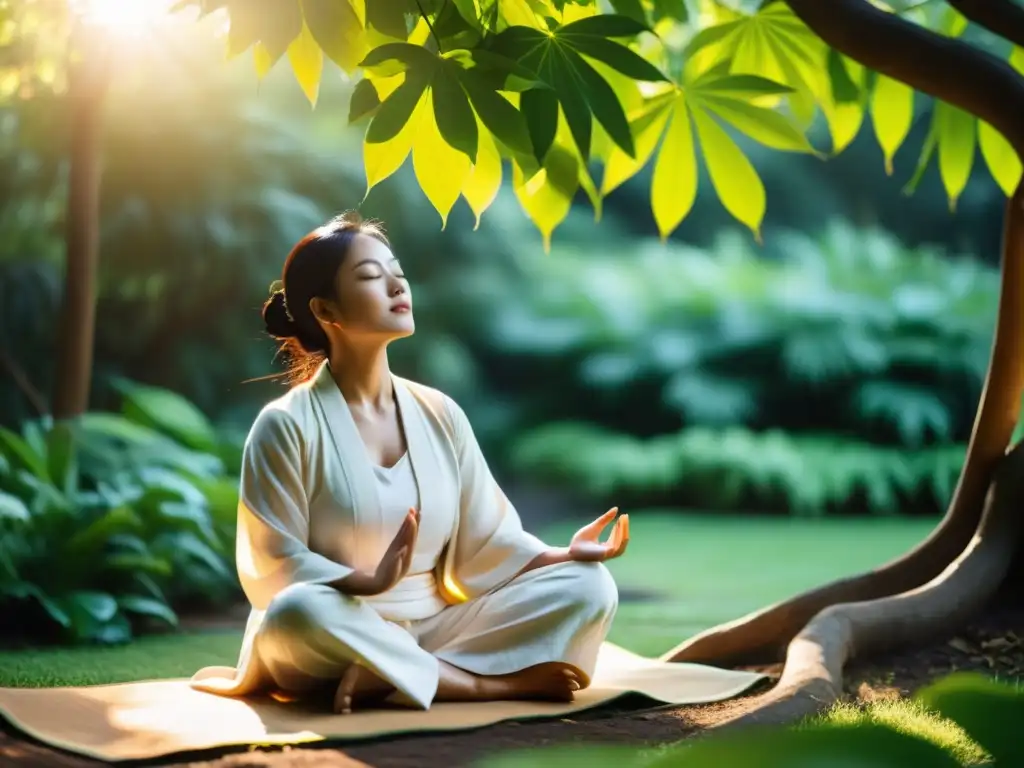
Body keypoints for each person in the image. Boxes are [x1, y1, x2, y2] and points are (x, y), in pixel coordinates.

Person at [190, 212, 630, 715]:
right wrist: (366, 583)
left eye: (396, 270)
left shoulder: (440, 413)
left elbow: (487, 543)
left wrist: (560, 555)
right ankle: (475, 683)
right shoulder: (285, 425)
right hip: (334, 626)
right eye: (372, 277)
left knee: (587, 584)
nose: (398, 284)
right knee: (294, 611)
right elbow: (272, 566)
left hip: (435, 628)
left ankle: (397, 671)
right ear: (325, 308)